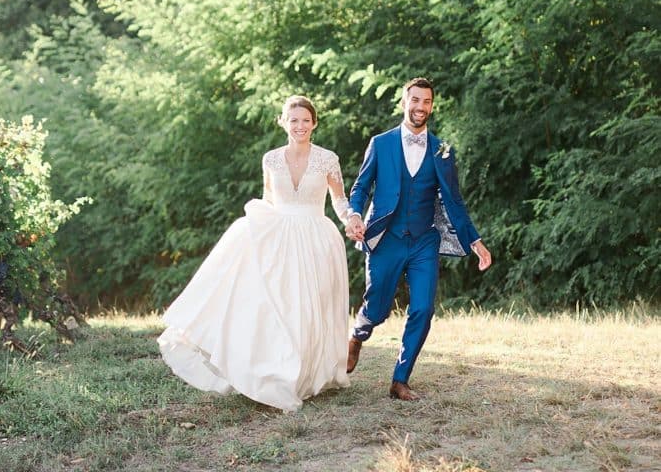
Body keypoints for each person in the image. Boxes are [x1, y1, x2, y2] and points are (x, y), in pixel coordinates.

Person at [158, 95, 353, 412]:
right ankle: (279, 374)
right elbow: (268, 200)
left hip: (316, 237)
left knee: (309, 306)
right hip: (280, 238)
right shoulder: (271, 159)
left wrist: (351, 219)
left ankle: (307, 374)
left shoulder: (328, 159)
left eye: (305, 120)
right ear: (283, 122)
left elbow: (340, 200)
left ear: (314, 123)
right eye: (293, 120)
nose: (300, 126)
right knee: (280, 306)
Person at [344, 77, 492, 401]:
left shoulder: (443, 150)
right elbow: (360, 188)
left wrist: (475, 241)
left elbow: (454, 201)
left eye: (426, 102)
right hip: (386, 239)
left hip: (425, 240)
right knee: (379, 307)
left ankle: (400, 379)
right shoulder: (380, 144)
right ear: (403, 102)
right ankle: (358, 334)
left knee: (423, 308)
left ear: (432, 106)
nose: (420, 107)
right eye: (415, 100)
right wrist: (355, 215)